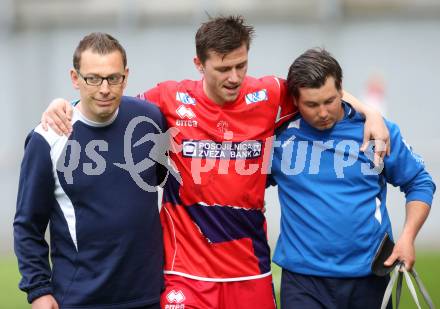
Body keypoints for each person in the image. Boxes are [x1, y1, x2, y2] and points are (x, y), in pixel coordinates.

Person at [40, 17, 390, 309]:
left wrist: (368, 111)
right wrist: (65, 103)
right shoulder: (169, 98)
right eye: (223, 68)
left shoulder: (268, 94)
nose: (234, 77)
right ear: (199, 64)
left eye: (241, 65)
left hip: (249, 270)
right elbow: (109, 100)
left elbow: (320, 90)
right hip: (185, 273)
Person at [269, 48, 435, 309]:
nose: (323, 112)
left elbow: (419, 183)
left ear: (342, 91)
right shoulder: (279, 138)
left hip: (369, 277)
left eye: (330, 101)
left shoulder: (378, 132)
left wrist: (408, 237)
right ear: (295, 101)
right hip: (303, 282)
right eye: (312, 104)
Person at [14, 33, 168, 309]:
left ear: (126, 76)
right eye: (93, 78)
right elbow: (28, 224)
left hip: (148, 296)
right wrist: (38, 290)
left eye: (113, 77)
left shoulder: (149, 120)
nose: (105, 89)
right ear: (75, 78)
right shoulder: (47, 139)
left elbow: (162, 181)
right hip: (80, 299)